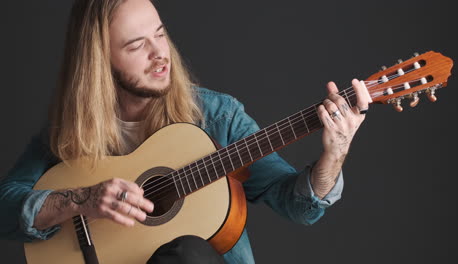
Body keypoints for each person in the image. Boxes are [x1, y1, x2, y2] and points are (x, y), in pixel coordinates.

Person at [0, 0, 369, 263]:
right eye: (136, 45)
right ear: (99, 61)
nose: (159, 53)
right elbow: (4, 207)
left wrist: (334, 153)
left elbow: (296, 205)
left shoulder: (217, 117)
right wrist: (82, 200)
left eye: (159, 35)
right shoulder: (70, 134)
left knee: (188, 252)